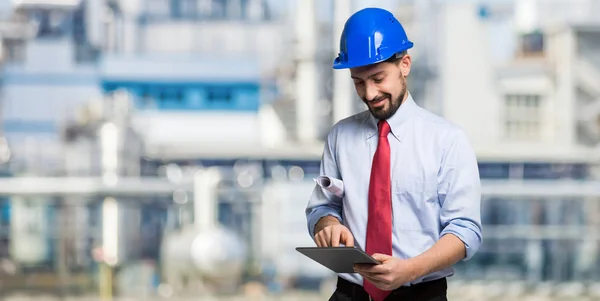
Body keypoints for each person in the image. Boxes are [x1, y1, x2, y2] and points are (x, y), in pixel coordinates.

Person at [305, 7, 482, 301]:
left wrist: (410, 270)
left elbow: (465, 231)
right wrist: (328, 226)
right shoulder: (339, 137)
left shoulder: (448, 141)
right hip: (350, 294)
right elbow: (322, 208)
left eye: (378, 79)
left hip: (420, 295)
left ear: (405, 65)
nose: (370, 93)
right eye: (358, 82)